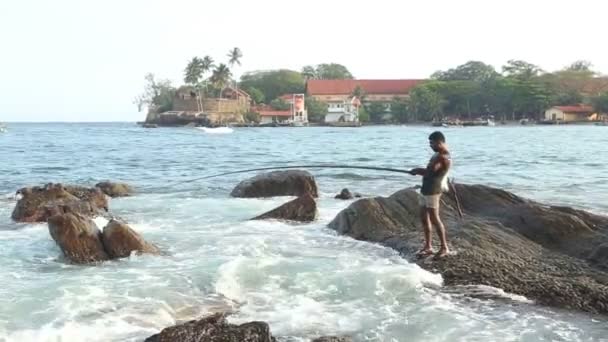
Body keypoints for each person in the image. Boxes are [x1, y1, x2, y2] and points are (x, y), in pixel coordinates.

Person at [408, 131, 451, 258]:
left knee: (435, 219)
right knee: (424, 217)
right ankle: (428, 246)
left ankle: (444, 247)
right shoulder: (437, 154)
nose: (430, 146)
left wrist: (417, 170)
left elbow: (431, 171)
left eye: (432, 143)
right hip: (425, 189)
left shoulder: (443, 156)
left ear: (440, 142)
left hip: (433, 191)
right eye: (430, 143)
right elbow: (429, 171)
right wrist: (418, 171)